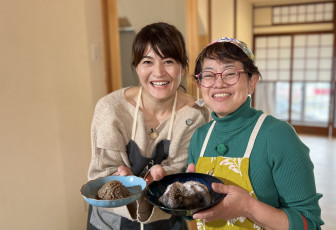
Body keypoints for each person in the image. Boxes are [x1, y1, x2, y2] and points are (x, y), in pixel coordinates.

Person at [187, 37, 324, 230]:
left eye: (230, 73)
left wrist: (249, 207)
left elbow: (309, 224)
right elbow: (193, 215)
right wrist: (186, 199)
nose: (218, 83)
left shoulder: (278, 135)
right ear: (200, 84)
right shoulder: (200, 137)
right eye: (208, 75)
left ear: (252, 81)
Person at [87, 22, 209, 230]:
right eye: (147, 62)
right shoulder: (111, 109)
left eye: (168, 61)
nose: (158, 72)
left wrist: (160, 175)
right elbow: (101, 174)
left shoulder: (195, 115)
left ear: (184, 67)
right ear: (136, 67)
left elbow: (183, 172)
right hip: (111, 220)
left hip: (167, 219)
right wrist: (123, 182)